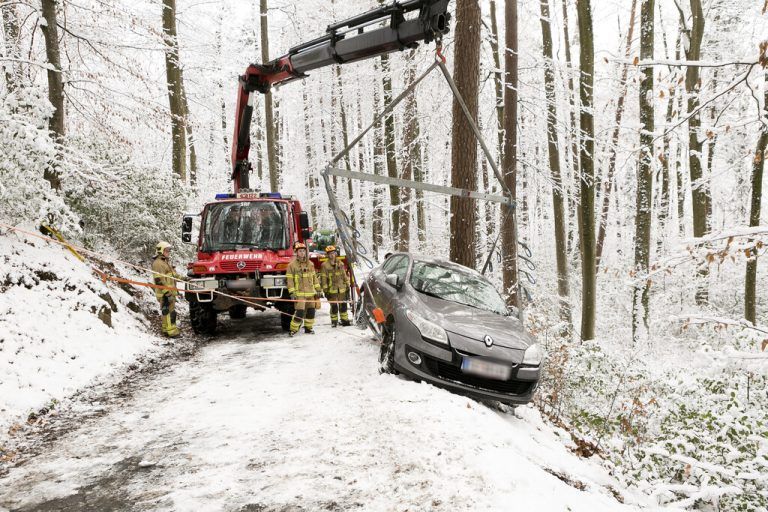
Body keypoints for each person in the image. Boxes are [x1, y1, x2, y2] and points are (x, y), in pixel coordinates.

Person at [285, 242, 322, 336]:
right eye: (300, 251)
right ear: (296, 253)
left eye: (303, 251)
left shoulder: (310, 264)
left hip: (310, 293)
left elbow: (315, 278)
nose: (302, 253)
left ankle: (308, 328)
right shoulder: (291, 266)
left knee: (311, 312)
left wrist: (318, 290)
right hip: (299, 294)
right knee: (299, 313)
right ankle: (293, 329)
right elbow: (290, 280)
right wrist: (292, 292)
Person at [151, 241, 182, 338]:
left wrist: (184, 278)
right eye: (166, 250)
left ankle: (165, 329)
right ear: (161, 251)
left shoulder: (165, 262)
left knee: (166, 311)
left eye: (169, 250)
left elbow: (173, 275)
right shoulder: (158, 263)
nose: (168, 252)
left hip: (169, 292)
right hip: (164, 293)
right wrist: (167, 293)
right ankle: (172, 332)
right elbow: (159, 280)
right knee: (169, 312)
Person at [319, 245, 351, 327]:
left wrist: (347, 285)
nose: (332, 255)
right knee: (334, 307)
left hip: (342, 289)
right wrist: (325, 291)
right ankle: (334, 321)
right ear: (327, 255)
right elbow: (323, 279)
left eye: (333, 253)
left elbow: (344, 275)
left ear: (335, 253)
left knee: (343, 306)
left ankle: (345, 320)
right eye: (330, 254)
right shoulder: (324, 265)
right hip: (331, 290)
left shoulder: (340, 263)